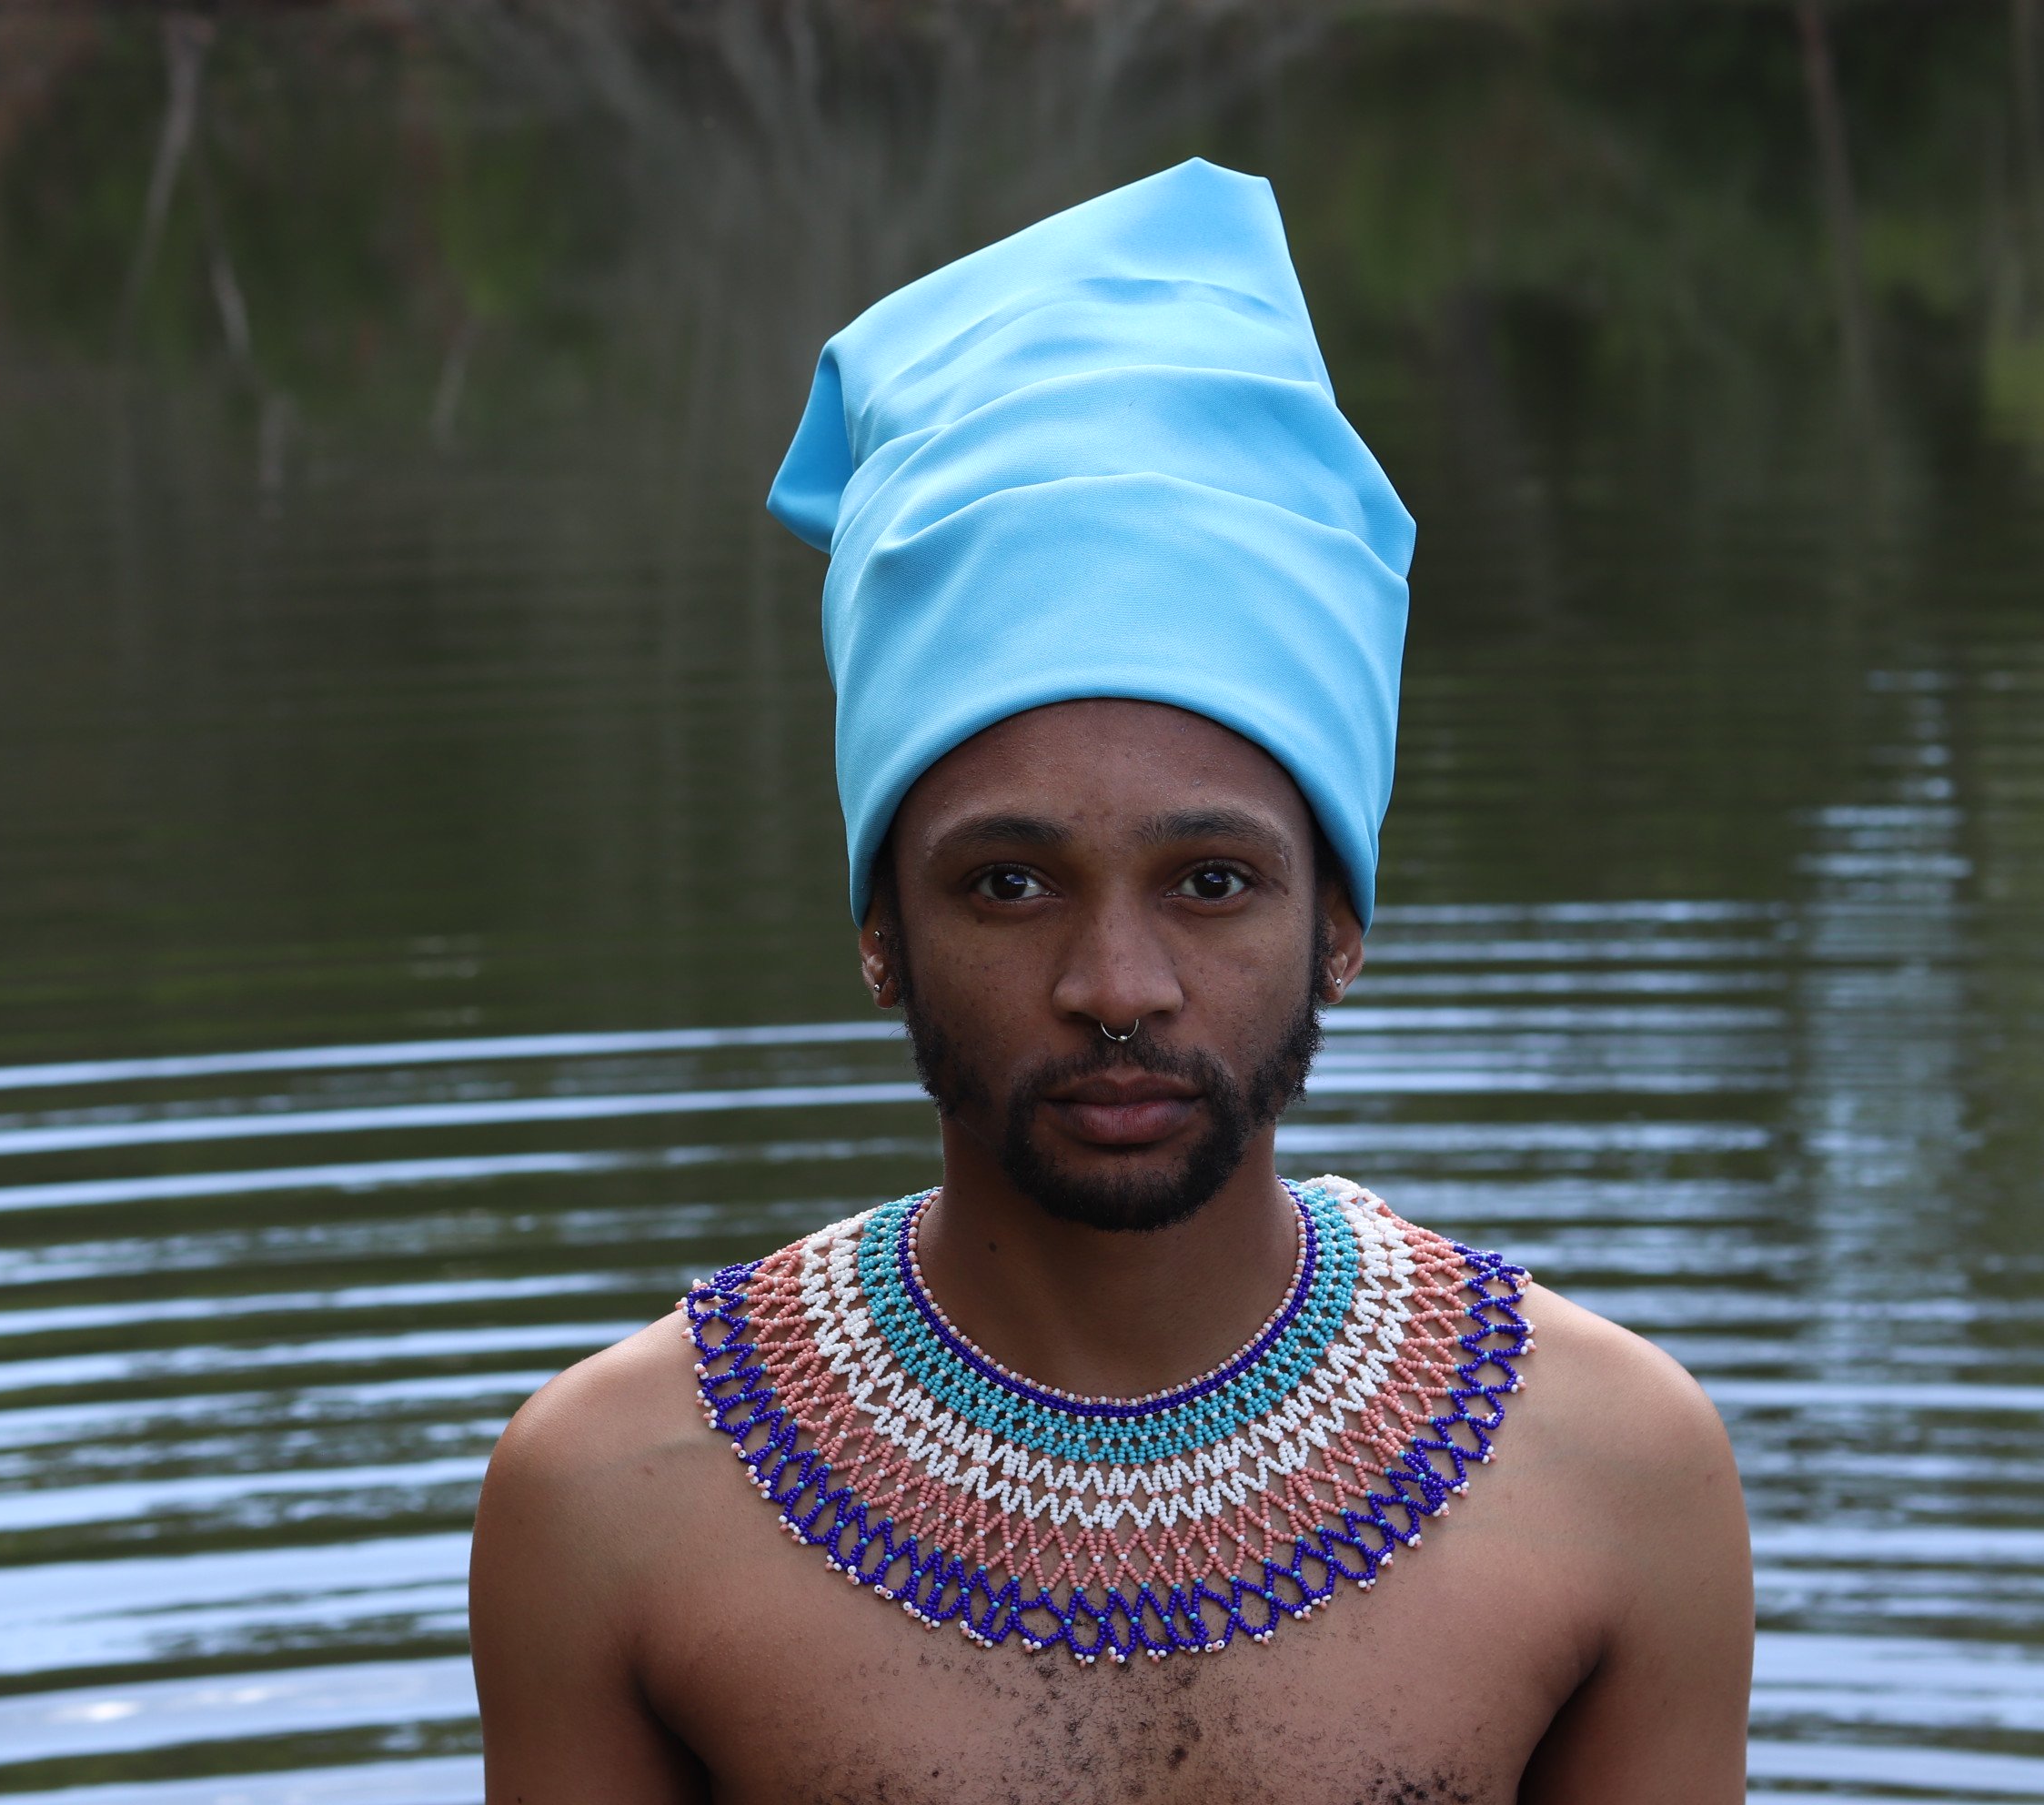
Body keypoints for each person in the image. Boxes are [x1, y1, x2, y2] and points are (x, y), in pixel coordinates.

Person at [468, 159, 1752, 1803]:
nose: (1116, 984)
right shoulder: (618, 1498)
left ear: (1339, 926)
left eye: (1211, 883)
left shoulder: (1608, 1473)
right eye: (1009, 885)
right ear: (880, 931)